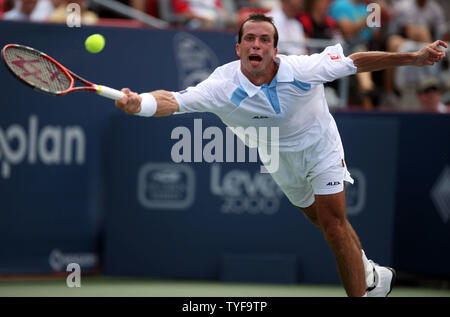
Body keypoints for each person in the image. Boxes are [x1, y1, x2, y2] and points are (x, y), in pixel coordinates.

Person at [114, 13, 447, 297]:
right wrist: (139, 102)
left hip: (320, 148)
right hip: (277, 158)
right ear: (238, 48)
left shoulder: (303, 69)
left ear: (275, 50)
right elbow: (174, 100)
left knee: (333, 225)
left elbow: (356, 62)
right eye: (249, 39)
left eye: (263, 40)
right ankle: (369, 273)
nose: (255, 45)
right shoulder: (222, 86)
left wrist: (414, 58)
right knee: (317, 218)